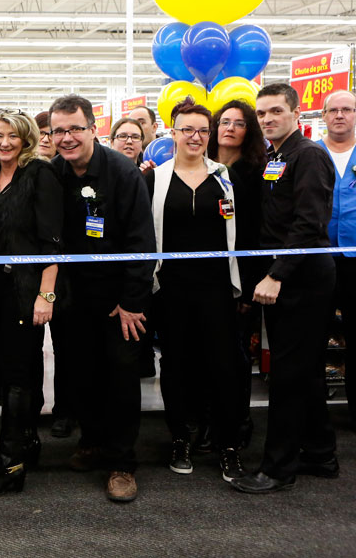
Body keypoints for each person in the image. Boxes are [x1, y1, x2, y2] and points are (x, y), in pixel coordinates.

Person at [48, 94, 155, 503]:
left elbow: (142, 241)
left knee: (120, 379)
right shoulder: (53, 173)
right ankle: (92, 443)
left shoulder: (122, 172)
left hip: (117, 299)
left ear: (93, 128)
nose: (67, 137)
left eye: (75, 128)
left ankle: (122, 463)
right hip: (72, 298)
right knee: (80, 375)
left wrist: (132, 301)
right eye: (59, 130)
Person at [232, 83, 338, 493]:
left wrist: (276, 274)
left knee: (290, 376)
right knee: (305, 372)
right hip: (286, 279)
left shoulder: (308, 156)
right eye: (261, 114)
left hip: (301, 281)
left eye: (276, 111)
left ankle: (278, 469)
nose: (267, 119)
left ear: (296, 113)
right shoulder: (276, 156)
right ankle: (321, 453)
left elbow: (309, 225)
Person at [144, 102, 249, 483]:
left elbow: (241, 230)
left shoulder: (224, 177)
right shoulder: (154, 180)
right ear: (172, 133)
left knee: (224, 367)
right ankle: (180, 438)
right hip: (170, 290)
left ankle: (228, 446)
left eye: (202, 130)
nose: (195, 137)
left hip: (217, 289)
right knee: (175, 367)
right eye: (187, 129)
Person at [0, 108, 63, 495]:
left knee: (19, 378)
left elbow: (53, 242)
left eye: (12, 136)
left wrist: (46, 294)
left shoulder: (40, 174)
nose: (4, 143)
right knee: (5, 376)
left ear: (26, 139)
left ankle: (10, 467)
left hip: (25, 293)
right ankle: (28, 445)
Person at [208, 99, 267, 451]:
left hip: (240, 278)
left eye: (239, 123)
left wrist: (247, 290)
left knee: (235, 354)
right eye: (224, 121)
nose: (230, 128)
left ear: (249, 131)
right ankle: (207, 419)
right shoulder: (200, 166)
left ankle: (236, 422)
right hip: (204, 278)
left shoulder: (255, 172)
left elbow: (256, 235)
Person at [318, 90, 356, 426]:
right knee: (315, 335)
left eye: (347, 109)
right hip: (318, 258)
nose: (340, 115)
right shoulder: (312, 154)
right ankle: (314, 417)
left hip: (355, 258)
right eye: (334, 110)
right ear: (324, 116)